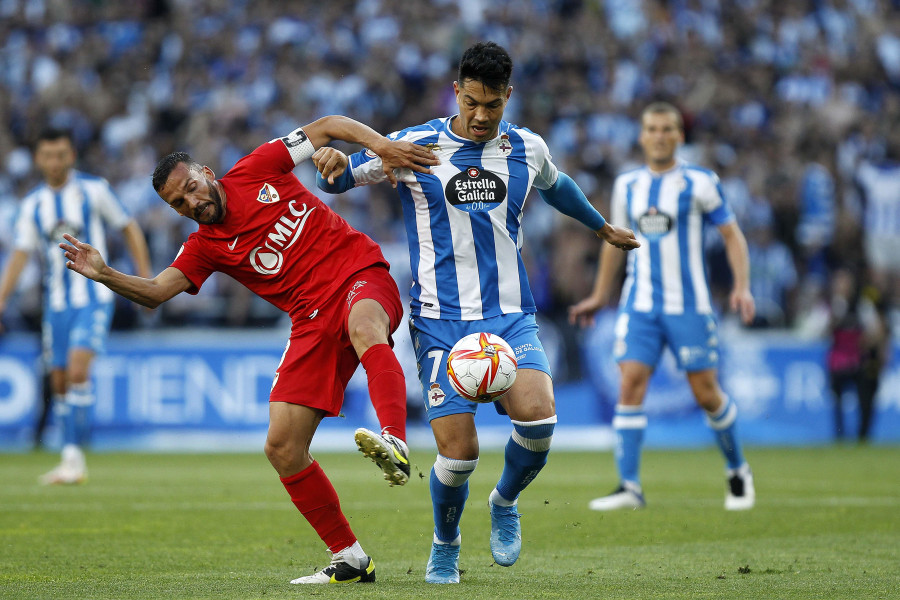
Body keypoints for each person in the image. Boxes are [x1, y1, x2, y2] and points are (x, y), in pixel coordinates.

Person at [58, 116, 439, 585]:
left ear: (207, 173)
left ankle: (395, 440)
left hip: (359, 274)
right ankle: (351, 558)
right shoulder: (204, 248)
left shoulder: (259, 167)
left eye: (193, 188)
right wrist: (104, 274)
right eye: (180, 203)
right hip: (311, 322)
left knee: (365, 329)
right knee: (281, 447)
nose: (193, 203)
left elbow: (329, 126)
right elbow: (157, 292)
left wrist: (383, 147)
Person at [313, 41, 639, 583]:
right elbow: (344, 178)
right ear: (456, 91)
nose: (481, 116)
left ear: (509, 95)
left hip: (509, 313)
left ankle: (505, 501)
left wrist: (601, 227)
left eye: (493, 105)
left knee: (539, 422)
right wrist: (332, 163)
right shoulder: (413, 145)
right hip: (440, 321)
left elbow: (557, 187)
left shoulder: (526, 148)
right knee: (458, 454)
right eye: (471, 103)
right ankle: (446, 543)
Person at [569, 101, 757, 512]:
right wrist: (601, 297)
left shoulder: (701, 182)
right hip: (639, 305)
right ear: (642, 135)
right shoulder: (628, 185)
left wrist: (742, 286)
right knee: (630, 384)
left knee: (706, 393)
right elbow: (614, 244)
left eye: (666, 128)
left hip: (689, 305)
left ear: (679, 135)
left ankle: (737, 469)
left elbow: (732, 236)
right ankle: (629, 487)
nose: (658, 135)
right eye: (651, 128)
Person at [0, 127, 152, 484]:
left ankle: (74, 458)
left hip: (94, 297)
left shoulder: (94, 190)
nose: (55, 161)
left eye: (62, 154)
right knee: (60, 381)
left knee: (77, 369)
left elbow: (128, 226)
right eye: (48, 155)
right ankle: (72, 457)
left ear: (72, 156)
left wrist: (145, 279)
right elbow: (19, 256)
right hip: (56, 305)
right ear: (39, 159)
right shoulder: (32, 205)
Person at [826, 268, 889, 443]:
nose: (840, 286)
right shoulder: (834, 305)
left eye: (844, 282)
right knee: (836, 397)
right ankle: (839, 436)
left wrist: (863, 344)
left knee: (866, 398)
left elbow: (876, 331)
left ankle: (863, 437)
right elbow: (824, 331)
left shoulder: (862, 304)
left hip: (860, 361)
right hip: (839, 361)